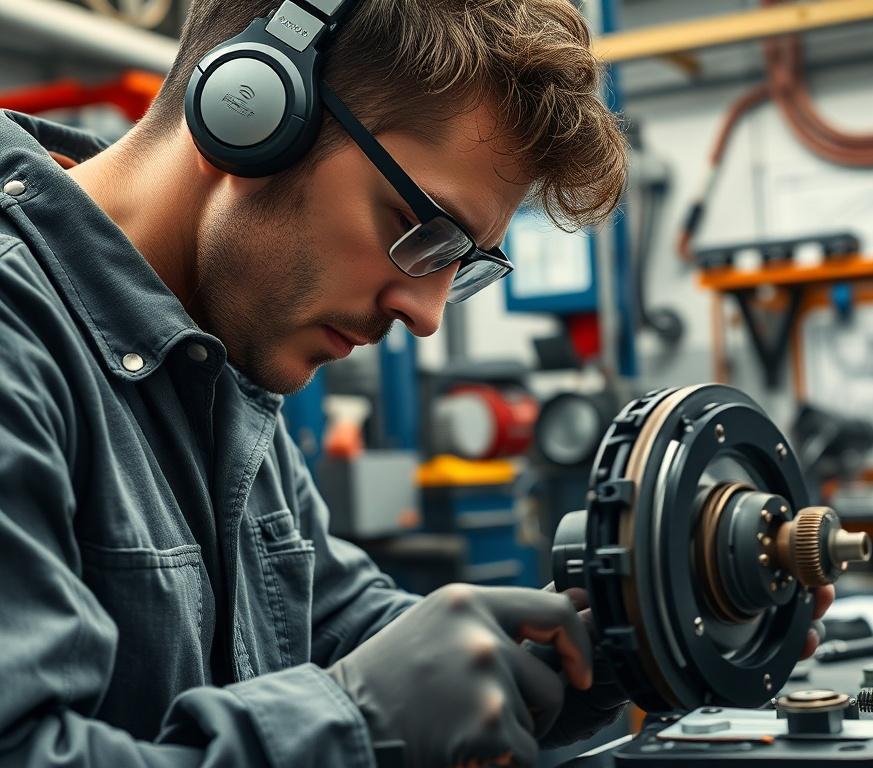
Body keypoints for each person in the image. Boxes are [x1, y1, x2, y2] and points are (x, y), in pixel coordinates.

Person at [0, 0, 831, 765]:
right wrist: (359, 724)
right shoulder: (19, 338)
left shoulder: (221, 369)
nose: (426, 314)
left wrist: (618, 645)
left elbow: (343, 634)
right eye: (421, 231)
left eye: (460, 265)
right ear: (250, 112)